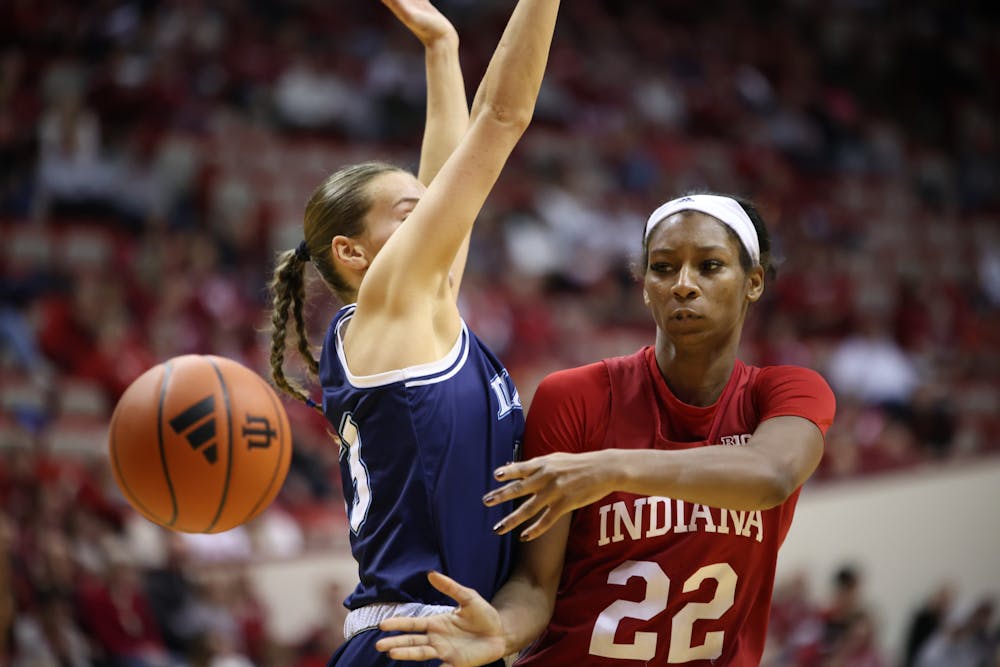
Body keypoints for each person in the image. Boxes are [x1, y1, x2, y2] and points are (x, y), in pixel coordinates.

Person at [375, 194, 837, 666]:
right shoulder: (576, 397)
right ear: (644, 287)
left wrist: (611, 467)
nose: (683, 285)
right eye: (662, 267)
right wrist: (503, 631)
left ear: (753, 282)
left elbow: (771, 476)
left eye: (710, 266)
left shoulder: (787, 392)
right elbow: (536, 583)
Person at [266, 0, 560, 664]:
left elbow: (452, 154)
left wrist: (442, 47)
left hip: (447, 637)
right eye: (411, 215)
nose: (437, 222)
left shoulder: (412, 316)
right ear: (351, 253)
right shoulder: (388, 309)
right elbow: (504, 118)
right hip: (413, 642)